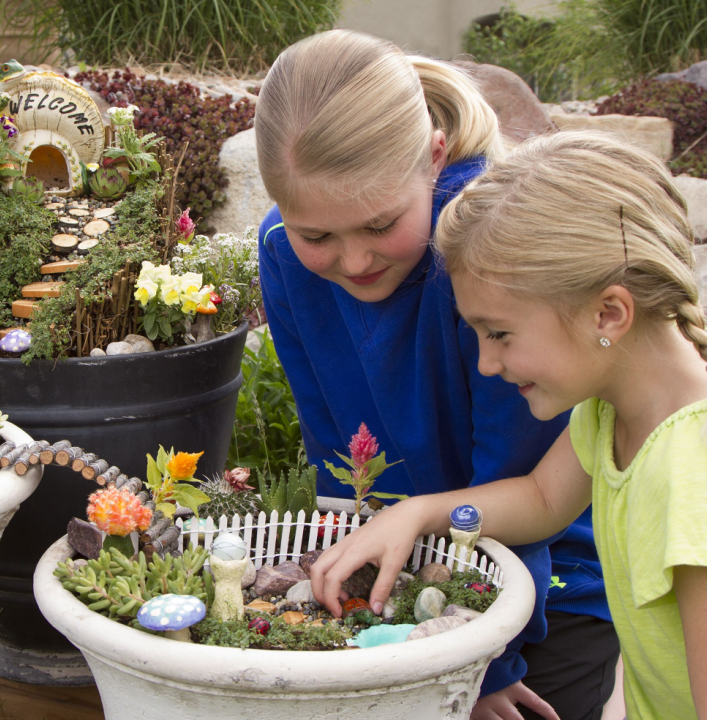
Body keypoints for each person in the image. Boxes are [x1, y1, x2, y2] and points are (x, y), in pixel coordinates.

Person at [311, 131, 707, 718]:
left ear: (609, 313)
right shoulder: (630, 395)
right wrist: (418, 513)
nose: (486, 363)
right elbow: (544, 497)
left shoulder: (695, 479)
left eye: (498, 333)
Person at [255, 30, 615, 719]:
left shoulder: (484, 254)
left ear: (434, 156)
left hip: (549, 577)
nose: (353, 261)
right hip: (405, 554)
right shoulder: (282, 254)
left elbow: (523, 484)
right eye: (318, 235)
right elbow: (341, 457)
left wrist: (481, 663)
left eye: (379, 224)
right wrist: (355, 587)